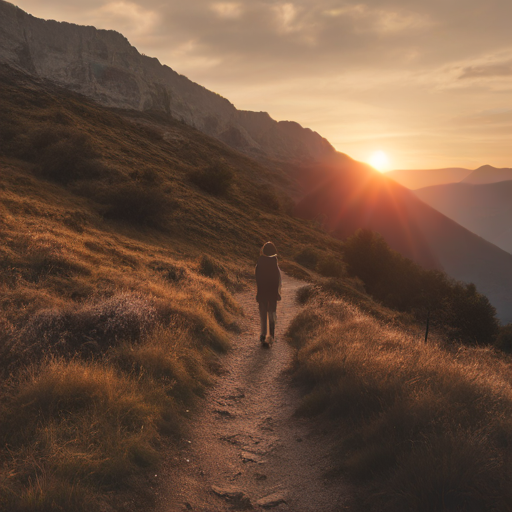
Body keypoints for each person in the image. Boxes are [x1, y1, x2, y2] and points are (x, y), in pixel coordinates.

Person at [255, 241, 282, 345]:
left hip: (262, 292)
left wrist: (258, 292)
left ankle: (263, 334)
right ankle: (271, 336)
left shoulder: (260, 261)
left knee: (263, 314)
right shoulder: (274, 262)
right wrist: (277, 293)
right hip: (272, 292)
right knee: (272, 313)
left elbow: (258, 279)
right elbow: (277, 280)